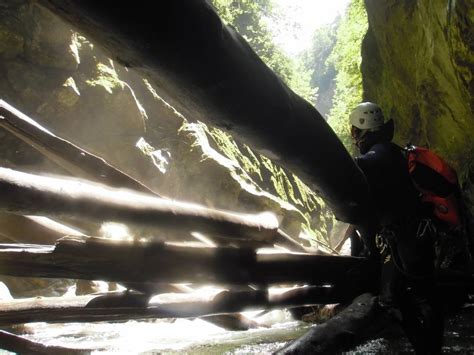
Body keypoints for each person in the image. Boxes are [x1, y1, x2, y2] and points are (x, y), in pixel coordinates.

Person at [349, 102, 444, 354]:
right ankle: (431, 348)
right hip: (417, 233)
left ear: (359, 130)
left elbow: (366, 171)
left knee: (398, 299)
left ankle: (428, 349)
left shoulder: (376, 156)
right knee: (425, 296)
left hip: (405, 238)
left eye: (353, 130)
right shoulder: (394, 151)